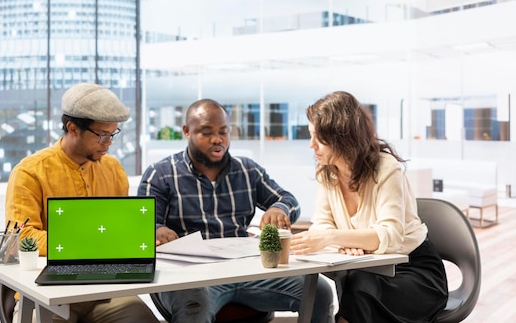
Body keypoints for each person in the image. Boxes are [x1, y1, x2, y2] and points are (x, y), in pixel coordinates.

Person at [138, 98, 335, 323]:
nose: (217, 139)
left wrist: (279, 209)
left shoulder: (247, 170)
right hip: (191, 276)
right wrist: (156, 229)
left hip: (245, 271)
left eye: (224, 132)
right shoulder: (161, 174)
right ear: (186, 131)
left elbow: (289, 200)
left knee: (320, 291)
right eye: (206, 132)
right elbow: (141, 227)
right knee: (194, 307)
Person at [5, 82, 159, 323]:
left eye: (113, 134)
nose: (108, 143)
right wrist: (88, 240)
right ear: (72, 128)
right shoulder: (30, 172)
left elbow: (121, 230)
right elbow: (22, 237)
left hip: (105, 290)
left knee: (141, 318)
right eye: (102, 135)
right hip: (48, 291)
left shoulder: (113, 169)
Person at [290, 91, 448, 323]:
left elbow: (390, 236)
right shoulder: (327, 172)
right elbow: (321, 224)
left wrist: (336, 238)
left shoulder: (386, 168)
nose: (311, 145)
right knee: (356, 287)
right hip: (366, 270)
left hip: (412, 271)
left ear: (341, 136)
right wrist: (348, 240)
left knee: (358, 290)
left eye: (319, 137)